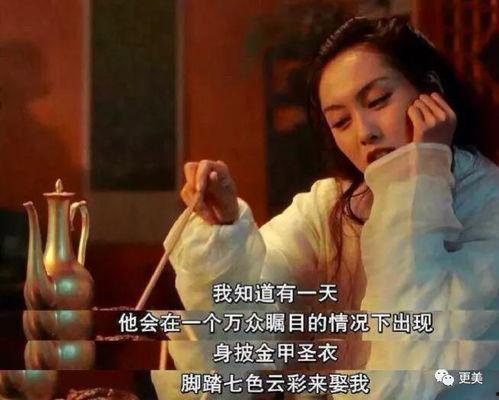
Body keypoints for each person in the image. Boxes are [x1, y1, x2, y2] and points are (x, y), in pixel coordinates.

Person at [152, 17, 499, 399]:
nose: (364, 131)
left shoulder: (489, 201)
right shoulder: (330, 205)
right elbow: (242, 331)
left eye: (378, 101)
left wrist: (419, 175)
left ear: (430, 91)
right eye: (341, 121)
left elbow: (412, 370)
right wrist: (224, 234)